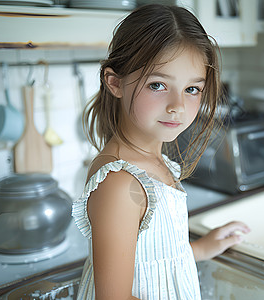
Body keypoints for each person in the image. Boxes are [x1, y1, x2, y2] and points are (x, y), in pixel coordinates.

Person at [72, 4, 250, 299]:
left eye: (192, 89)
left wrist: (200, 249)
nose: (177, 105)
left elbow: (153, 259)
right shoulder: (120, 183)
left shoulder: (154, 161)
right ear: (115, 82)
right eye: (158, 85)